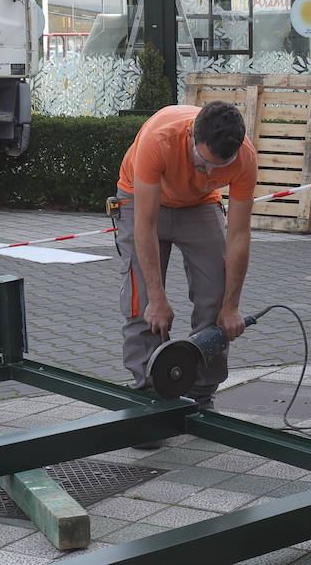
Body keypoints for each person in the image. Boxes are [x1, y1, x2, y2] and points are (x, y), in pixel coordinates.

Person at [113, 100, 258, 409]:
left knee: (215, 296)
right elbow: (145, 226)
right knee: (143, 307)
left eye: (216, 168)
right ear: (192, 135)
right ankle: (147, 394)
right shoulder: (159, 138)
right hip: (140, 200)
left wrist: (232, 306)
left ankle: (200, 394)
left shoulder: (244, 157)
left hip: (199, 204)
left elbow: (239, 236)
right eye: (201, 161)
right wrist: (157, 297)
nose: (207, 171)